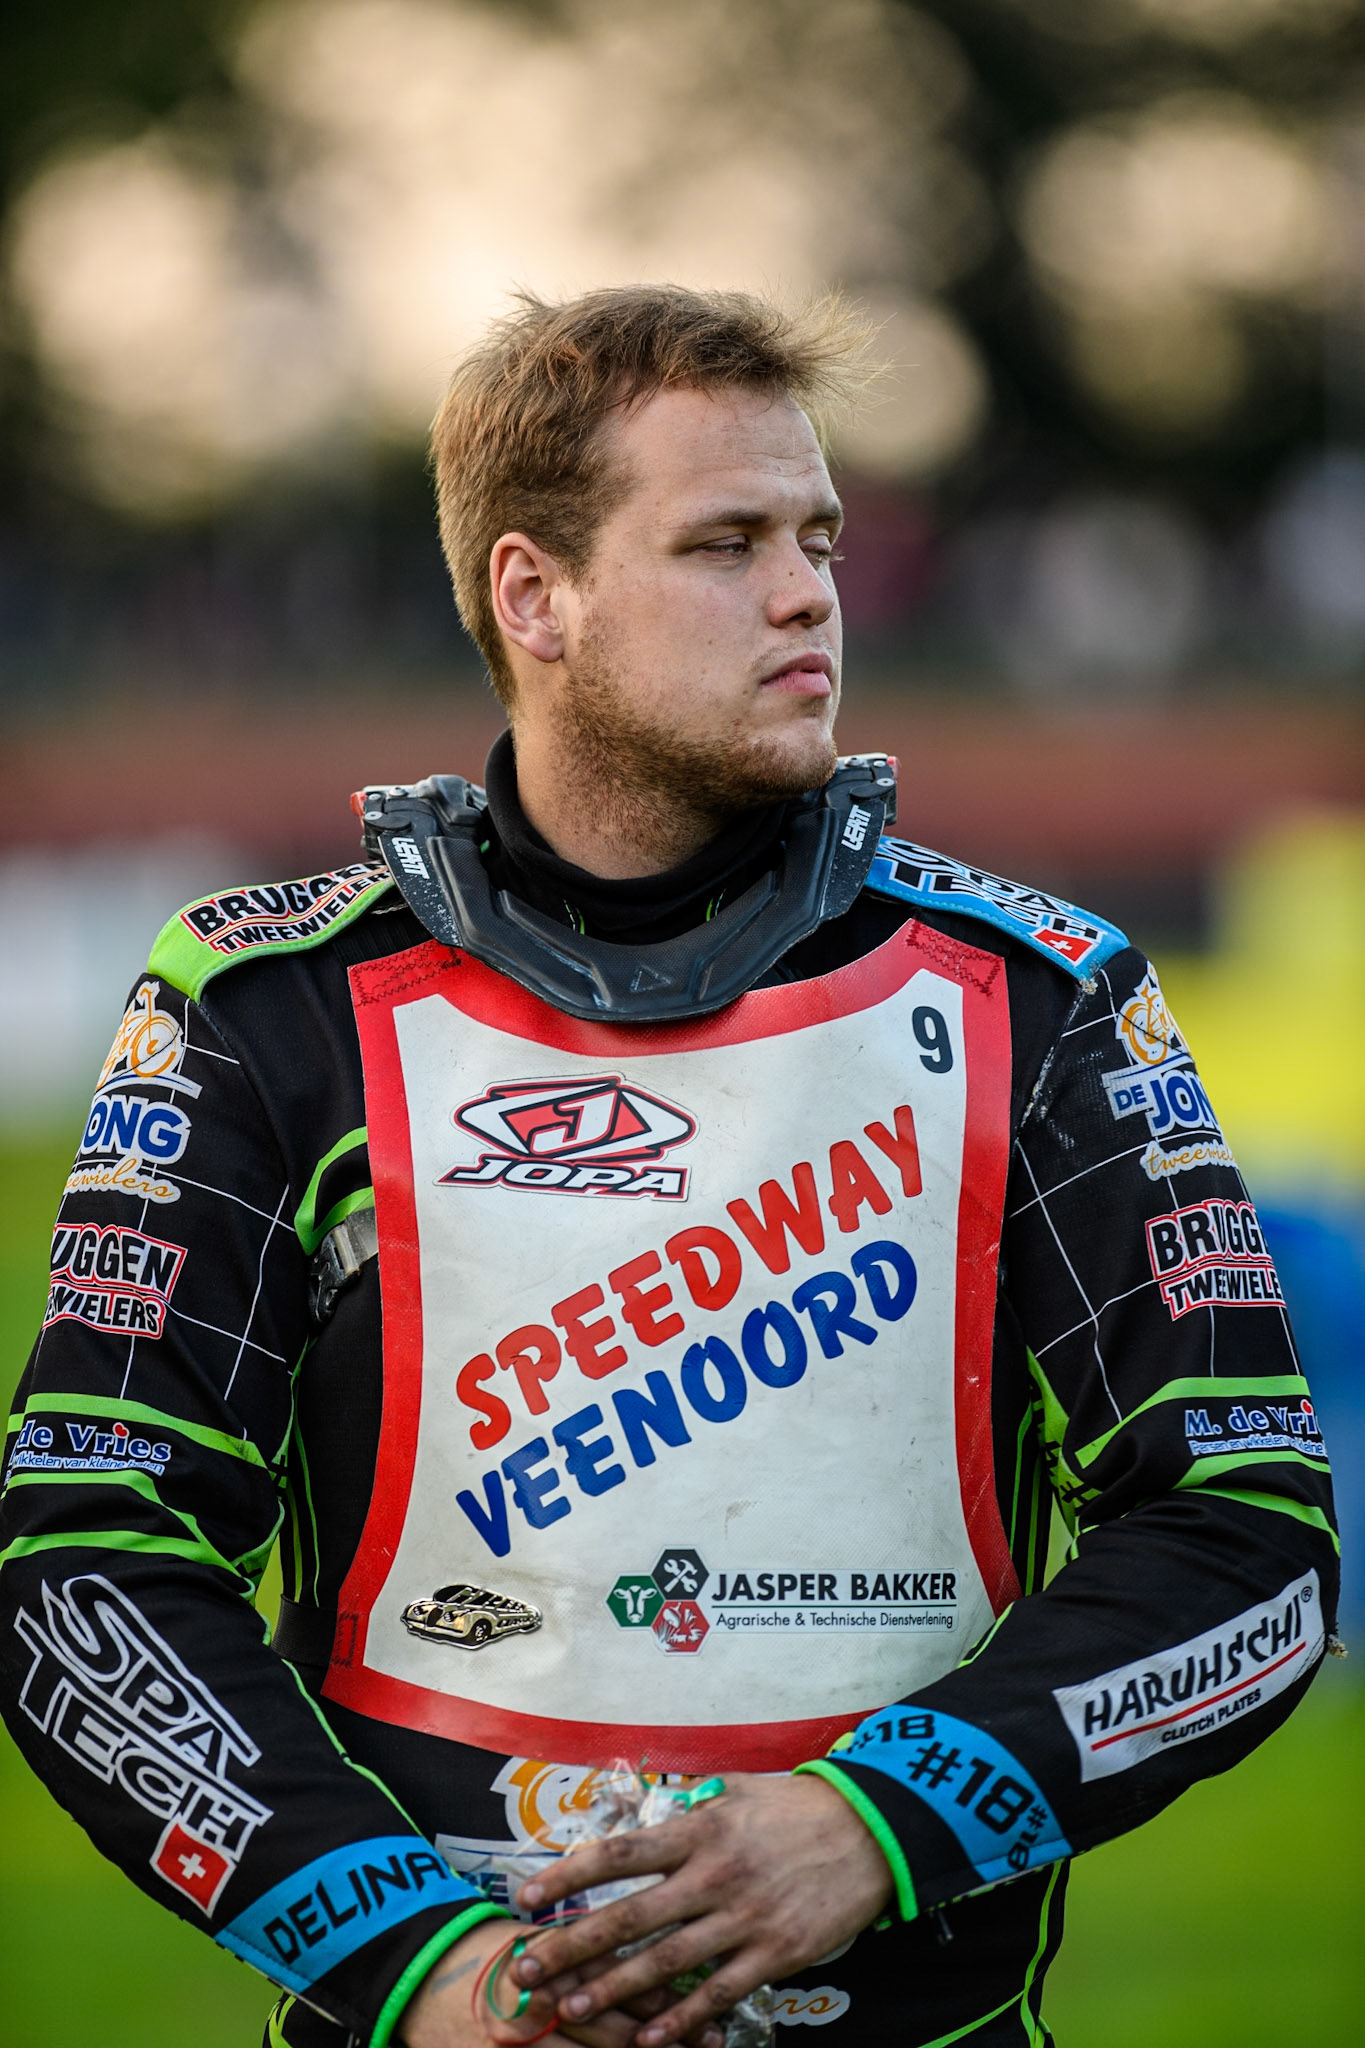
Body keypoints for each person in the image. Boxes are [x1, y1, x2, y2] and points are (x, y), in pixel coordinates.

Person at [0, 287, 1339, 2048]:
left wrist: (878, 1821)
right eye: (724, 542)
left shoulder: (1047, 995)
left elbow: (1253, 1535)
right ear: (532, 595)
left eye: (818, 540)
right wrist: (410, 1961)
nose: (807, 594)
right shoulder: (262, 1007)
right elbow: (87, 1549)